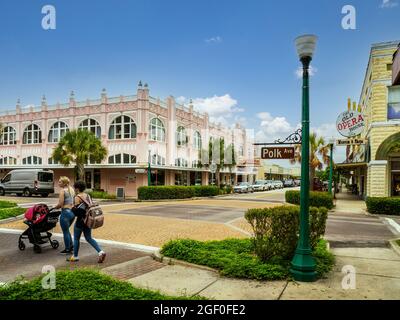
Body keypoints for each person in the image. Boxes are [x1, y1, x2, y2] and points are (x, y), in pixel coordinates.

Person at [67, 180, 106, 263]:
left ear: (77, 188)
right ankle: (100, 252)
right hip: (89, 220)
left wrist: (72, 208)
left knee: (76, 238)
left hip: (80, 221)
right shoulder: (88, 195)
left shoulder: (77, 197)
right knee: (88, 238)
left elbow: (78, 212)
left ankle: (75, 256)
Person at [54, 176, 75, 254]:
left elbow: (60, 204)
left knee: (65, 232)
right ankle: (71, 245)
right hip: (72, 213)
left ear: (64, 183)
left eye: (60, 182)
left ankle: (67, 249)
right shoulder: (72, 190)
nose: (58, 183)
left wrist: (54, 207)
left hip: (65, 213)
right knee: (67, 230)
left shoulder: (62, 191)